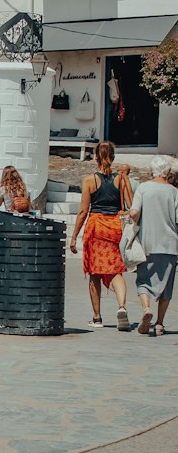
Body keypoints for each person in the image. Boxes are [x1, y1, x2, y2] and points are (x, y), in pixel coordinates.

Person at [69, 140, 134, 330]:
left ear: (96, 156)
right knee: (115, 270)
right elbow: (129, 203)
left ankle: (97, 317)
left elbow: (83, 211)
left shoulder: (90, 180)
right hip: (114, 227)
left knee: (94, 273)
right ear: (113, 157)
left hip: (96, 227)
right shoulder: (120, 179)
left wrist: (74, 237)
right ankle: (122, 306)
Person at [127, 155, 178, 336]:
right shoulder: (174, 192)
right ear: (168, 172)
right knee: (167, 285)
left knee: (143, 280)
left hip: (147, 243)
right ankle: (159, 323)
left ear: (152, 170)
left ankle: (146, 308)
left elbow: (134, 212)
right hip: (170, 245)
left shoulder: (143, 188)